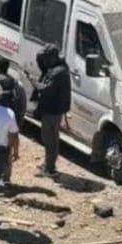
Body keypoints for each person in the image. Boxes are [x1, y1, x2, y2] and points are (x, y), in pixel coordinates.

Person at [32, 44, 71, 177]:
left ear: (53, 57)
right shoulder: (57, 67)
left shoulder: (58, 72)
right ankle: (49, 164)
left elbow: (47, 90)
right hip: (52, 109)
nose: (45, 61)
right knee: (49, 139)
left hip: (53, 111)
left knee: (50, 140)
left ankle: (50, 169)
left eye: (47, 58)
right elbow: (40, 59)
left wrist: (36, 85)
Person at [0, 56, 27, 123]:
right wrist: (19, 121)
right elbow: (22, 105)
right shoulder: (17, 83)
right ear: (7, 68)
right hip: (9, 120)